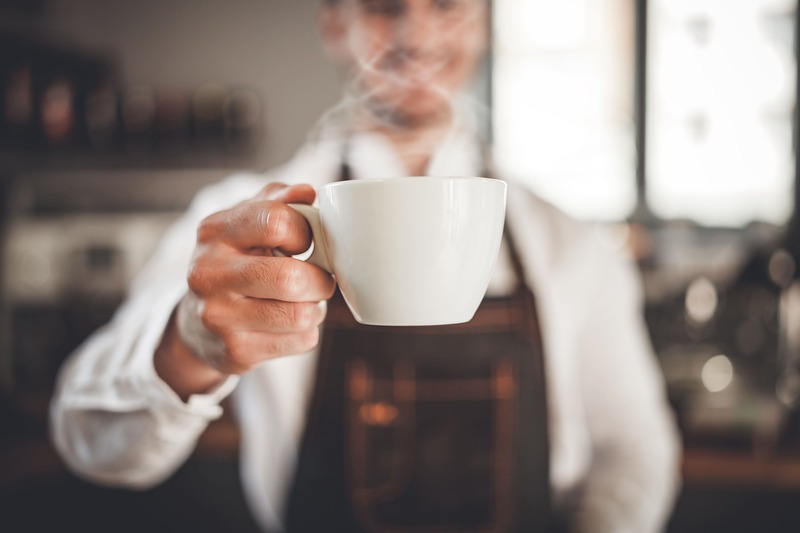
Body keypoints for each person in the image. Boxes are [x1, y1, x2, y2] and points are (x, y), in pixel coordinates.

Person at [50, 1, 681, 532]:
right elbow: (87, 440)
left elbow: (636, 452)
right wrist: (187, 345)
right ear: (332, 22)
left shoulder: (569, 242)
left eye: (446, 3)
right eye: (383, 6)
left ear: (483, 19)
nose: (417, 33)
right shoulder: (237, 222)